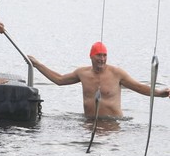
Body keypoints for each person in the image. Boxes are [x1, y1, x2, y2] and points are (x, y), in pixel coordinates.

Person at [28, 42, 170, 118]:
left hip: (112, 123)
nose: (102, 59)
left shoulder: (117, 73)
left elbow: (139, 87)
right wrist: (37, 64)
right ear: (91, 56)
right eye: (99, 55)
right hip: (90, 122)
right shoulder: (82, 73)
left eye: (104, 55)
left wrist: (158, 93)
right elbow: (59, 79)